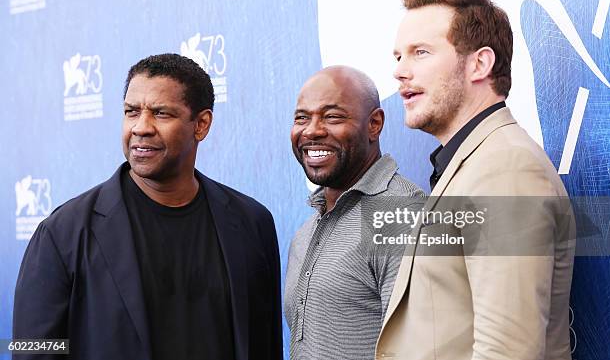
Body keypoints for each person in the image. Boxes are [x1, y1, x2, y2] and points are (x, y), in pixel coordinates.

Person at [13, 53, 282, 360]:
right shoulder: (63, 232)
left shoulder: (251, 222)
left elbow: (266, 343)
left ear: (201, 124)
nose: (141, 127)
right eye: (131, 112)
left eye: (161, 113)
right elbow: (32, 349)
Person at [376, 0, 575, 360]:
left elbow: (508, 352)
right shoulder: (477, 162)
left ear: (479, 64)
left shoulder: (506, 168)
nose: (400, 71)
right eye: (399, 56)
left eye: (421, 52)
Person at [284, 65, 424, 360]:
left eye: (332, 117)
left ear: (374, 124)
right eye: (302, 118)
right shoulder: (307, 231)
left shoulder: (401, 214)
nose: (312, 130)